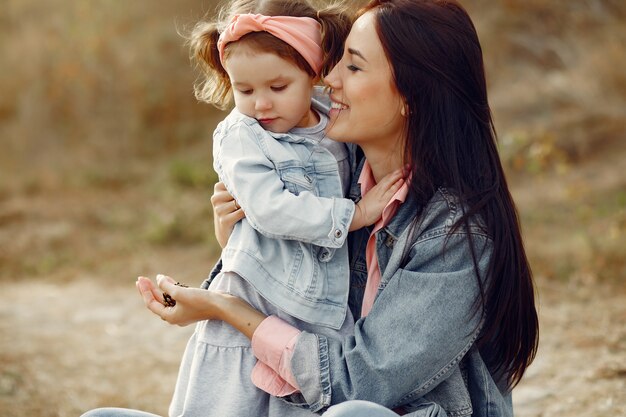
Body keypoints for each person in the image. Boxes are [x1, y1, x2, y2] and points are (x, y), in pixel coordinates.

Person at [93, 0, 541, 416]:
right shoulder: (333, 186)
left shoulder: (456, 233)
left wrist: (226, 307)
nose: (330, 78)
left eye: (354, 65)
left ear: (410, 95)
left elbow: (356, 383)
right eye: (338, 59)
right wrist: (235, 240)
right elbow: (297, 282)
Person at [81, 1, 406, 417]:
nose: (261, 105)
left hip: (314, 315)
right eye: (245, 90)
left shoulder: (337, 125)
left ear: (314, 72)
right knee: (230, 404)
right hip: (255, 302)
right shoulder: (242, 136)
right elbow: (270, 210)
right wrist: (355, 214)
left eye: (278, 87)